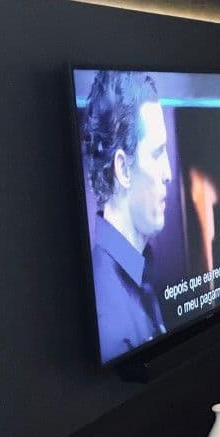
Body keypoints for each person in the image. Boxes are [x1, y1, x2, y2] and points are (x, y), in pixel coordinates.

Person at [80, 71, 172, 362]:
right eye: (157, 153)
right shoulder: (110, 320)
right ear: (122, 169)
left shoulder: (137, 274)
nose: (168, 173)